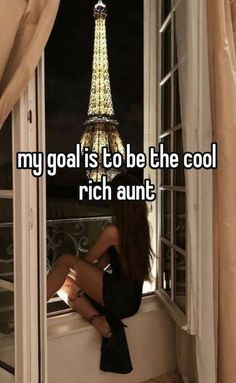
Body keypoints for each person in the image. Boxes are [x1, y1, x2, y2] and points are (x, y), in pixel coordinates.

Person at [47, 172, 154, 373]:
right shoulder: (140, 227)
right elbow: (103, 262)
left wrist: (80, 282)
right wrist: (81, 282)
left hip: (120, 296)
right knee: (64, 282)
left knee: (64, 261)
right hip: (132, 299)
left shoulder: (112, 231)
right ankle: (100, 322)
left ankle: (29, 312)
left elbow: (85, 261)